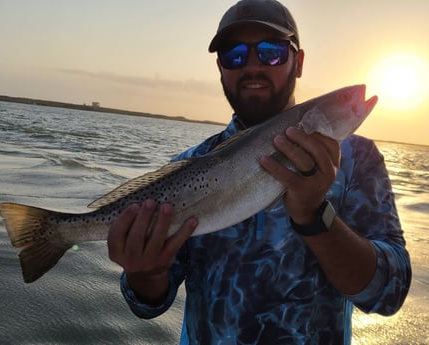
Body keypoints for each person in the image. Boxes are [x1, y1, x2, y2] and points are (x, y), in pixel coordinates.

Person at [107, 0, 411, 344]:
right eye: (233, 55)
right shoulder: (186, 169)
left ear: (298, 62)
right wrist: (145, 273)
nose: (252, 65)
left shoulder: (358, 158)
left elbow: (389, 293)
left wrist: (315, 217)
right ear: (220, 68)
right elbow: (147, 304)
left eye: (271, 51)